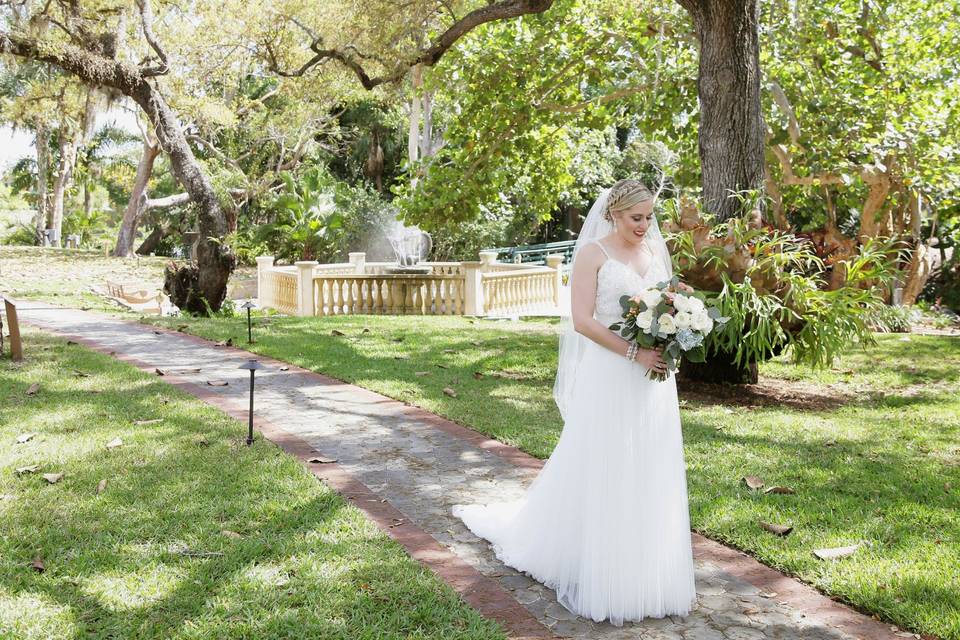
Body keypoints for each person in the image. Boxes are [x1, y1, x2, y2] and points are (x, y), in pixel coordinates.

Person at [452, 179, 698, 627]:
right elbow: (583, 321)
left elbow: (668, 304)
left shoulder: (654, 253)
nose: (645, 225)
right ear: (613, 215)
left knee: (648, 463)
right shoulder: (593, 255)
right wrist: (633, 352)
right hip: (613, 371)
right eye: (635, 218)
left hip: (654, 377)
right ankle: (602, 567)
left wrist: (673, 335)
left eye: (648, 216)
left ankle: (646, 566)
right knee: (605, 462)